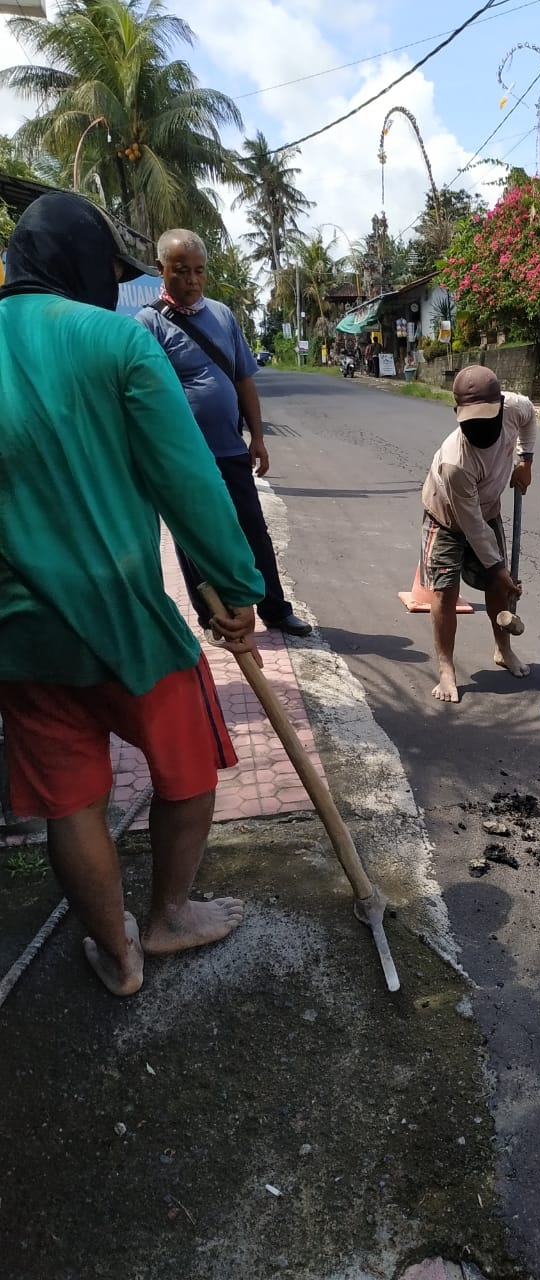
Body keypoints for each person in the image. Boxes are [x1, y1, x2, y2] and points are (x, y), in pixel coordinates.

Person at [0, 192, 266, 997]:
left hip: (17, 628)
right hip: (127, 614)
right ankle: (168, 914)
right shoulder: (116, 340)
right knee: (189, 763)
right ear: (81, 265)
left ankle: (117, 957)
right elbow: (184, 480)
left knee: (68, 798)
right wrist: (233, 585)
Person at [136, 229, 312, 637]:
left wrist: (259, 438)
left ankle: (275, 609)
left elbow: (243, 379)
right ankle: (212, 616)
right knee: (195, 539)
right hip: (184, 457)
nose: (193, 280)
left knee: (253, 528)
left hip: (230, 448)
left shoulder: (222, 314)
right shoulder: (147, 325)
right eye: (181, 271)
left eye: (199, 271)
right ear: (161, 270)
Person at [419, 365, 536, 703]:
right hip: (446, 516)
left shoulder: (515, 408)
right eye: (472, 420)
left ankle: (503, 649)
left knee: (495, 586)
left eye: (488, 416)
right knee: (445, 590)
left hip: (487, 508)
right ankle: (446, 670)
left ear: (500, 405)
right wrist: (502, 571)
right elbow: (471, 527)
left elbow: (531, 419)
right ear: (458, 415)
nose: (481, 426)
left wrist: (526, 460)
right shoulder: (456, 462)